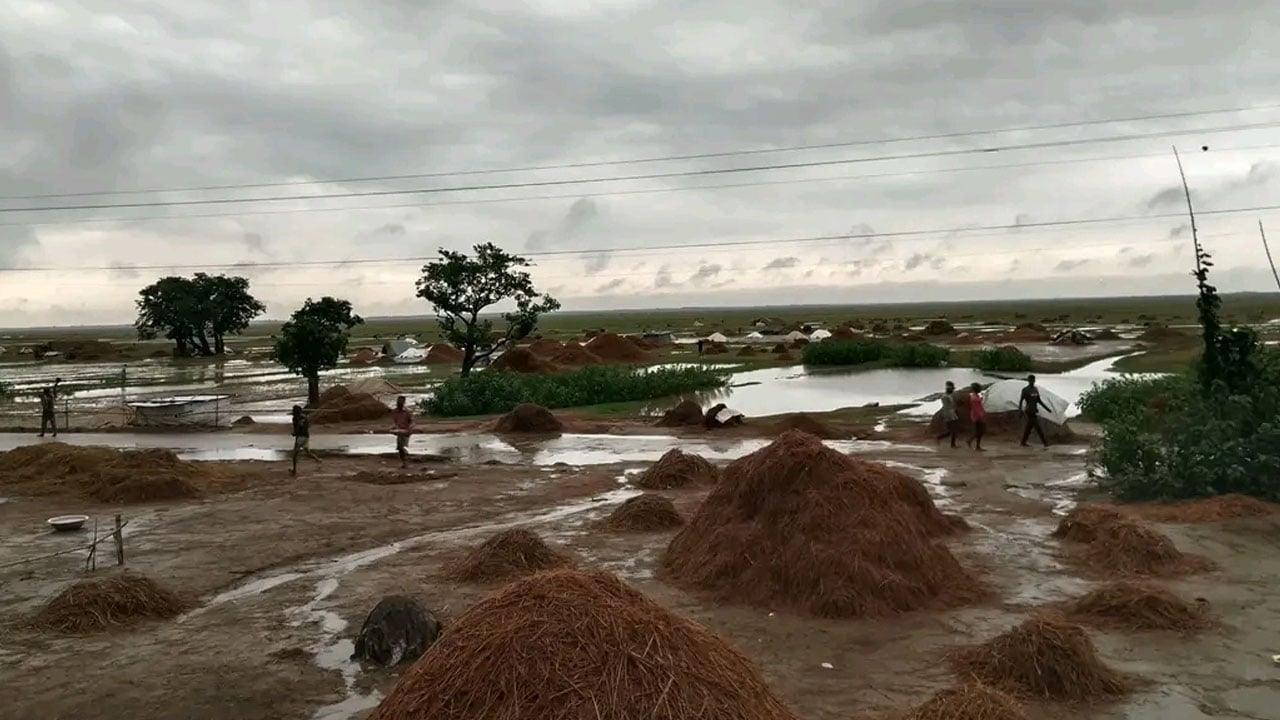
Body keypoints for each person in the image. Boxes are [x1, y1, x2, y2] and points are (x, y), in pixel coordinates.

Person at [1018, 374, 1052, 448]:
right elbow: (1021, 401)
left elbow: (1039, 400)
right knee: (1037, 427)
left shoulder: (1035, 389)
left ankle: (1023, 442)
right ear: (1028, 380)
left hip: (1034, 410)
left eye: (1033, 380)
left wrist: (1047, 408)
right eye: (1031, 380)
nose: (1032, 382)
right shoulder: (1025, 390)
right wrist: (1020, 411)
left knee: (1029, 427)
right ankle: (1045, 443)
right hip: (1029, 411)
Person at [290, 405, 319, 475]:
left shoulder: (295, 418)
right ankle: (317, 459)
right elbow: (306, 426)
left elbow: (297, 428)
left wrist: (294, 434)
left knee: (295, 455)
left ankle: (294, 470)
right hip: (306, 436)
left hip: (300, 437)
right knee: (307, 451)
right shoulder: (304, 417)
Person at [391, 396, 415, 467]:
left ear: (403, 403)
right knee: (399, 448)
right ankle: (404, 462)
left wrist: (410, 427)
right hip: (399, 431)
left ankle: (406, 460)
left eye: (400, 403)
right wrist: (394, 427)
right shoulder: (395, 412)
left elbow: (412, 422)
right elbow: (395, 422)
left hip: (406, 431)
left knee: (402, 446)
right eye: (398, 402)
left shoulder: (407, 412)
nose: (399, 404)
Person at [935, 381, 958, 448]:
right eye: (952, 389)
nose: (953, 390)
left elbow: (951, 405)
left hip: (951, 413)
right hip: (949, 414)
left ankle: (950, 443)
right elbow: (947, 407)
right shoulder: (945, 397)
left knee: (952, 430)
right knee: (952, 430)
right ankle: (940, 438)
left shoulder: (948, 396)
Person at [965, 382, 986, 451]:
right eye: (979, 388)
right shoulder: (974, 398)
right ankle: (973, 443)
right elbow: (976, 408)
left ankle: (973, 443)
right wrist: (980, 416)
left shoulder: (975, 396)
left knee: (979, 431)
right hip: (977, 416)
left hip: (976, 415)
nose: (980, 389)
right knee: (980, 431)